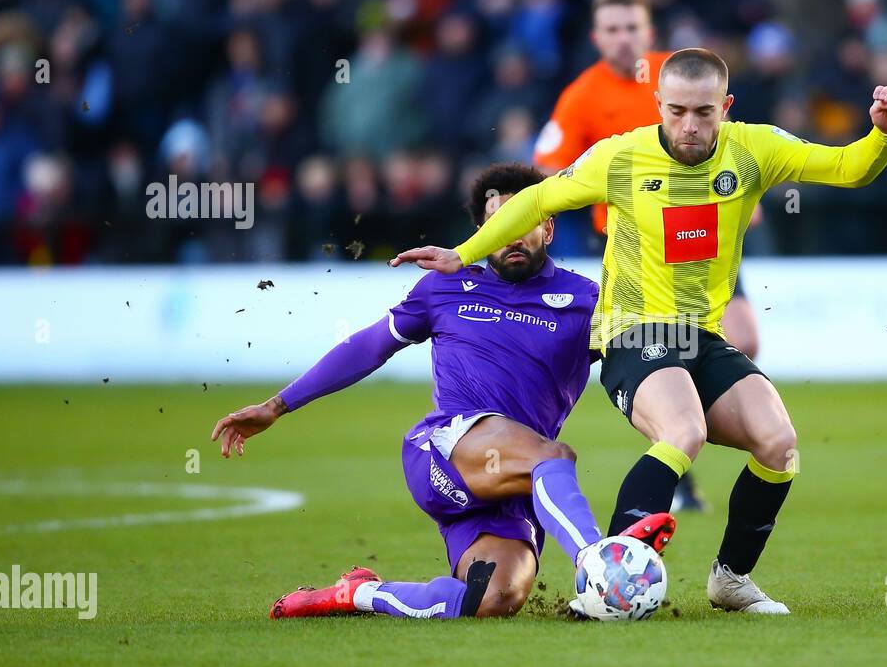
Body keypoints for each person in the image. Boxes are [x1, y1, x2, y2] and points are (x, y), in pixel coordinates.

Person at [392, 48, 887, 614]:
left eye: (705, 113)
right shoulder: (620, 159)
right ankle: (602, 584)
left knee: (779, 444)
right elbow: (539, 197)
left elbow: (846, 168)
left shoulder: (755, 149)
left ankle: (730, 579)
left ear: (726, 107)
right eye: (678, 111)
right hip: (633, 331)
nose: (690, 125)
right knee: (683, 430)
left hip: (701, 337)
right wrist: (465, 254)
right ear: (658, 104)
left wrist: (881, 136)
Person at [211, 162, 675, 620]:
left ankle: (356, 595)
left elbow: (641, 364)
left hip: (511, 483)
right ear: (480, 232)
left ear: (548, 229)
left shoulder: (586, 301)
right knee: (552, 458)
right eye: (497, 224)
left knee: (493, 600)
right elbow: (369, 346)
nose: (512, 235)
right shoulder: (444, 286)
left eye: (524, 222)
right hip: (443, 451)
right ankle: (596, 560)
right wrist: (277, 405)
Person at [533, 0, 758, 512]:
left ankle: (678, 438)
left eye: (631, 27)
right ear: (596, 36)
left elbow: (728, 138)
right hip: (635, 244)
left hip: (706, 235)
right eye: (611, 29)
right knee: (653, 349)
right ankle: (676, 450)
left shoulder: (679, 75)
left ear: (648, 31)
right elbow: (545, 168)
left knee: (744, 336)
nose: (621, 38)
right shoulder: (581, 95)